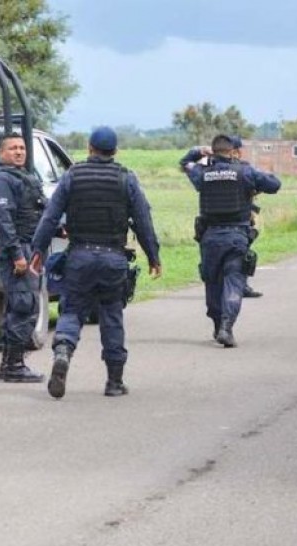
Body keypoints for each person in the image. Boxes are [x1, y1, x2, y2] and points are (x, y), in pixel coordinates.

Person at [30, 126, 162, 399]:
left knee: (72, 311)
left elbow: (50, 218)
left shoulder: (72, 176)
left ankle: (64, 351)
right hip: (114, 258)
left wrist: (37, 251)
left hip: (79, 257)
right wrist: (153, 256)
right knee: (111, 315)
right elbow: (143, 220)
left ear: (89, 148)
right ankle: (114, 382)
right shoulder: (127, 178)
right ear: (115, 151)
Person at [179, 135, 281, 347]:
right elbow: (274, 184)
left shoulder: (202, 173)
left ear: (213, 151)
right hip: (237, 237)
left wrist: (198, 151)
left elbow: (184, 163)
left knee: (213, 283)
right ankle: (226, 326)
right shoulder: (245, 172)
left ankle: (218, 326)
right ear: (232, 152)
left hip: (210, 238)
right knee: (234, 281)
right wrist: (256, 174)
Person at [0, 132, 46, 383]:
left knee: (26, 306)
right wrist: (17, 255)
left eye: (22, 147)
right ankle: (13, 367)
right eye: (12, 148)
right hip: (18, 250)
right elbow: (3, 220)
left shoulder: (24, 177)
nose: (19, 152)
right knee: (22, 306)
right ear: (1, 153)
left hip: (31, 248)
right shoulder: (1, 180)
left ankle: (12, 364)